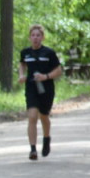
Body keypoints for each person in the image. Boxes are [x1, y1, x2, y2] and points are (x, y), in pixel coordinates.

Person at [18, 24, 63, 161]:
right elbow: (22, 64)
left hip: (46, 88)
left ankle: (46, 138)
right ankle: (32, 149)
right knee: (32, 116)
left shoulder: (49, 53)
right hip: (31, 87)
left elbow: (59, 70)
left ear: (42, 37)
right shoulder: (25, 52)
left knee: (44, 116)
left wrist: (46, 76)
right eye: (33, 35)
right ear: (29, 37)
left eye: (38, 35)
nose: (35, 38)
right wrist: (21, 75)